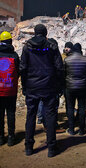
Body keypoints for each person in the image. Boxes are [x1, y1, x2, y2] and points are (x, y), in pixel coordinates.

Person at [20, 24, 64, 157]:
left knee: (31, 116)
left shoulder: (27, 47)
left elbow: (22, 68)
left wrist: (24, 86)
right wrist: (59, 86)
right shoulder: (52, 46)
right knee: (50, 116)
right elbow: (60, 68)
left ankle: (29, 147)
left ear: (35, 33)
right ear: (46, 33)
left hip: (32, 87)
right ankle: (51, 148)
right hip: (49, 87)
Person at [0, 31, 20, 146]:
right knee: (11, 113)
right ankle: (11, 137)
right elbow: (18, 71)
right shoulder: (14, 56)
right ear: (10, 41)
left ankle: (0, 137)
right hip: (11, 90)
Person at [64, 43, 86, 135]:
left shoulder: (67, 60)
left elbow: (64, 73)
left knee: (70, 108)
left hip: (70, 87)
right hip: (83, 87)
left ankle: (71, 129)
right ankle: (82, 130)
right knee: (82, 108)